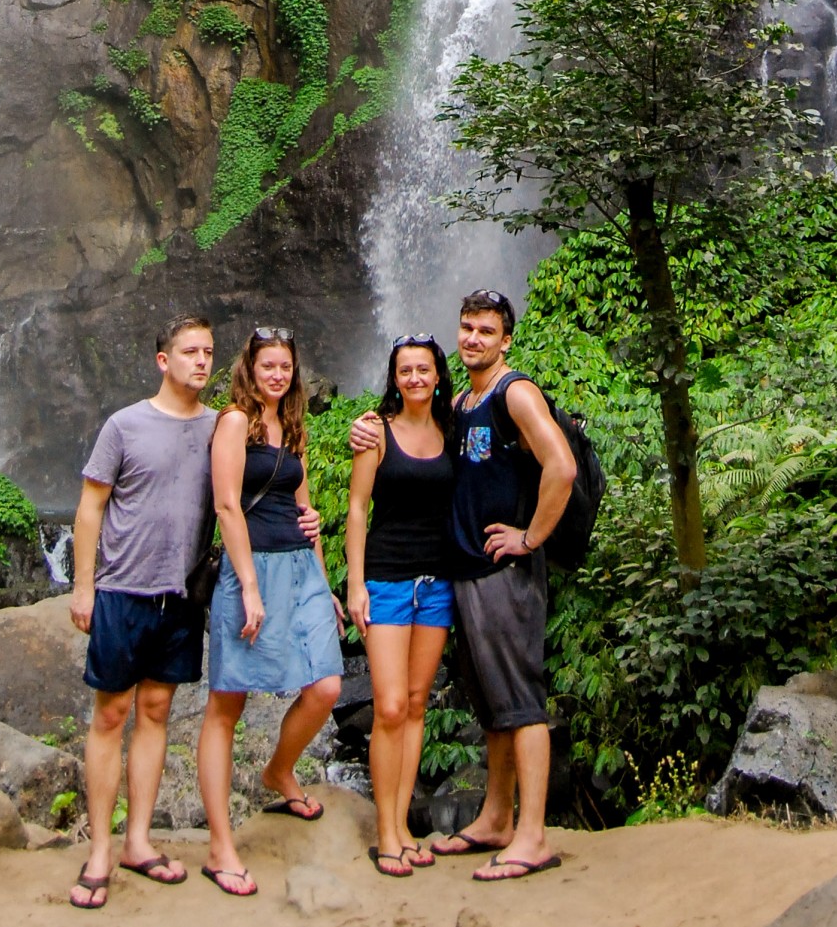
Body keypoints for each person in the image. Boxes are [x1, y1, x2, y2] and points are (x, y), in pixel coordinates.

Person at [351, 288, 575, 883]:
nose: (474, 338)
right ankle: (497, 819)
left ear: (506, 339)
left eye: (486, 330)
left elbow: (563, 465)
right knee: (493, 702)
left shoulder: (514, 392)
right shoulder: (462, 404)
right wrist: (364, 429)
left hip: (504, 572)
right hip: (462, 573)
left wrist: (529, 537)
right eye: (467, 328)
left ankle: (531, 836)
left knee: (521, 700)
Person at [69, 318, 218, 911]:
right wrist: (84, 588)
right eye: (189, 352)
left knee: (156, 710)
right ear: (163, 360)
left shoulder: (220, 427)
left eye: (208, 352)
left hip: (182, 595)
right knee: (111, 715)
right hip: (123, 591)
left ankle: (138, 840)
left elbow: (256, 483)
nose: (201, 362)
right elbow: (89, 506)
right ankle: (100, 849)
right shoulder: (124, 425)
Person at [197, 329, 345, 900]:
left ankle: (278, 771)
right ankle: (220, 846)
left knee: (328, 685)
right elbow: (228, 505)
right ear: (250, 369)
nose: (278, 375)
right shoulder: (235, 423)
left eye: (286, 366)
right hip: (248, 570)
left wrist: (325, 584)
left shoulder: (294, 427)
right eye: (268, 366)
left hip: (300, 569)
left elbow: (304, 509)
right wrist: (251, 588)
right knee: (227, 703)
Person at [345, 335, 457, 879]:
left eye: (424, 369)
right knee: (388, 707)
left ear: (438, 376)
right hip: (387, 582)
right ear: (394, 378)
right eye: (405, 370)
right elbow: (357, 509)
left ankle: (404, 825)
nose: (415, 377)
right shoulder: (375, 433)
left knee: (415, 705)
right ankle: (385, 832)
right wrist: (355, 584)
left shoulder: (452, 431)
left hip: (436, 583)